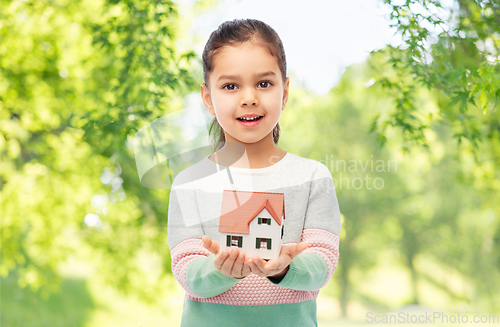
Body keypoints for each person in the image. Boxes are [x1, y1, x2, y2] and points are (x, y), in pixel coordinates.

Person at [168, 18, 341, 327]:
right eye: (230, 86)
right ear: (208, 97)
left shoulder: (313, 177)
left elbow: (323, 262)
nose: (249, 97)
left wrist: (285, 269)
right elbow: (187, 272)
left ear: (285, 92)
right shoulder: (189, 184)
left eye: (264, 83)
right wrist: (219, 269)